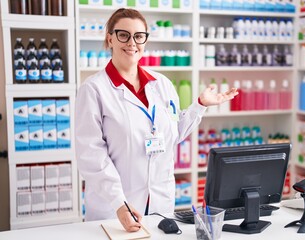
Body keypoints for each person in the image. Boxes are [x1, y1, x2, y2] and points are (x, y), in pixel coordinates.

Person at [75, 8, 238, 232]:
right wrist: (118, 203)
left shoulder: (162, 84)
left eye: (139, 36)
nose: (132, 42)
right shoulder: (94, 89)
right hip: (115, 209)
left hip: (160, 203)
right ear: (109, 38)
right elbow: (91, 155)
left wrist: (199, 105)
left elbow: (173, 134)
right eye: (124, 35)